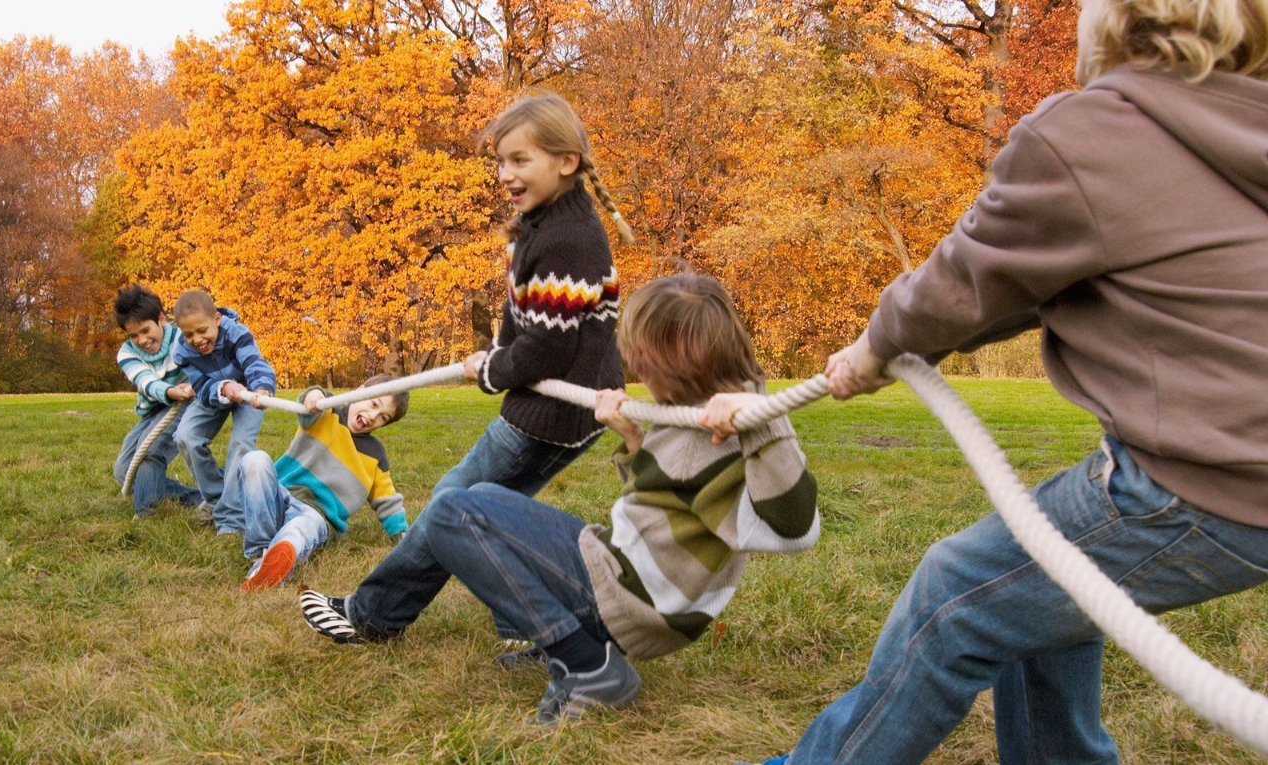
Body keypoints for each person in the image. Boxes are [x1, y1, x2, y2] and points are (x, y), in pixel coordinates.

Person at [748, 0, 1268, 760]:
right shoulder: (1240, 129)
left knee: (954, 596)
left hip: (1202, 485)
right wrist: (902, 347)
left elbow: (962, 281)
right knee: (1034, 589)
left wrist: (873, 348)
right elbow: (1033, 288)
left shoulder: (1093, 132)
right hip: (1244, 475)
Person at [298, 275, 820, 726]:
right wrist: (634, 438)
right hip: (628, 584)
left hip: (633, 600)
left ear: (680, 362)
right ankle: (571, 640)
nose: (633, 366)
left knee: (453, 511)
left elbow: (796, 529)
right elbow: (674, 500)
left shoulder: (738, 422)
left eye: (642, 359)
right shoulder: (694, 407)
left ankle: (584, 663)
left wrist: (765, 420)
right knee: (478, 496)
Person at [445, 91, 635, 499]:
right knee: (478, 510)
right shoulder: (537, 222)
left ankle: (399, 567)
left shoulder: (569, 237)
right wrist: (496, 350)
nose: (504, 174)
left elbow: (547, 347)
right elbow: (518, 307)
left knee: (455, 500)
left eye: (519, 160)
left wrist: (491, 373)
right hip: (539, 402)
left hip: (555, 412)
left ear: (566, 161)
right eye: (500, 161)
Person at [237, 375, 412, 591]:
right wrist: (314, 396)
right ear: (361, 389)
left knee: (298, 530)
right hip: (280, 497)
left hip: (317, 515)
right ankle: (261, 548)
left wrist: (402, 535)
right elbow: (309, 403)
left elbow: (388, 500)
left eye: (383, 417)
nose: (373, 416)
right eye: (374, 403)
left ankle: (267, 568)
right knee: (255, 460)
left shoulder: (376, 456)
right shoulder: (326, 413)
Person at [171, 289, 277, 535]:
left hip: (249, 393)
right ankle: (218, 498)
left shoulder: (236, 333)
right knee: (186, 436)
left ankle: (230, 520)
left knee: (240, 444)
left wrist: (261, 388)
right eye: (189, 335)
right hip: (212, 393)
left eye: (202, 330)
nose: (197, 339)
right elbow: (199, 385)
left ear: (216, 320)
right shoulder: (183, 352)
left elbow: (255, 363)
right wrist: (223, 387)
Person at [110, 284, 202, 517]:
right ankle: (196, 497)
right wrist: (170, 391)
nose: (141, 340)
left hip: (185, 404)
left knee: (151, 451)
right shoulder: (127, 353)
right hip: (155, 406)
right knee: (124, 470)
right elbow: (145, 381)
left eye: (145, 330)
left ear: (161, 319)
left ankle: (147, 513)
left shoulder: (182, 338)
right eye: (133, 335)